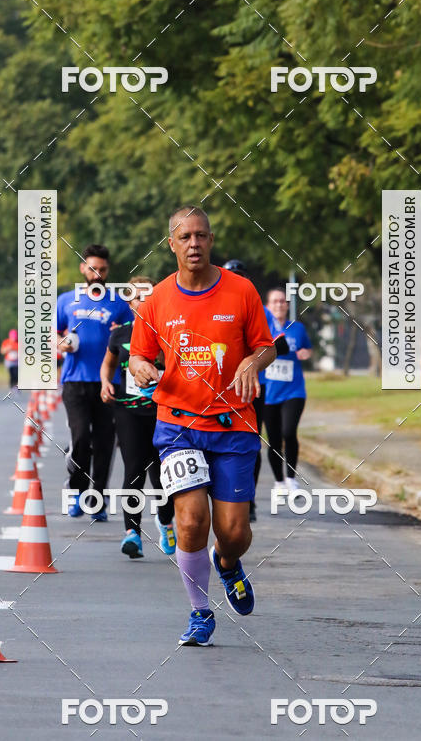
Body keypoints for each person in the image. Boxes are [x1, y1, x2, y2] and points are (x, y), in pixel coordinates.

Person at [129, 207, 276, 646]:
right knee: (191, 521)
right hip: (178, 425)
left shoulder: (241, 290)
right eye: (185, 237)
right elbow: (138, 355)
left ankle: (227, 563)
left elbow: (267, 347)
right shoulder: (157, 300)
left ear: (211, 240)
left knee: (234, 533)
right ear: (172, 244)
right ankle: (199, 612)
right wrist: (140, 367)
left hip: (234, 425)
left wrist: (252, 362)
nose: (193, 243)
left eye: (201, 235)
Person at [100, 276, 176, 559]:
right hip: (128, 411)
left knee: (162, 475)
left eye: (148, 296)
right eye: (137, 297)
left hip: (162, 411)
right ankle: (132, 532)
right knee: (133, 470)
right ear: (130, 303)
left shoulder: (168, 331)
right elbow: (107, 365)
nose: (142, 302)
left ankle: (165, 521)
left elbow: (178, 367)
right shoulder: (120, 334)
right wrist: (105, 383)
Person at [56, 244, 132, 522]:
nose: (97, 274)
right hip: (75, 382)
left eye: (102, 269)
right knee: (80, 438)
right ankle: (77, 491)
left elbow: (132, 339)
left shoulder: (118, 304)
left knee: (104, 443)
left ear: (107, 271)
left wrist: (121, 335)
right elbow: (51, 334)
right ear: (83, 268)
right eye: (92, 268)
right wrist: (62, 343)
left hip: (108, 383)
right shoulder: (66, 301)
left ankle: (97, 499)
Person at [222, 259, 289, 520]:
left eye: (241, 275)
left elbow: (276, 345)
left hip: (253, 387)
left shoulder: (260, 310)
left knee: (250, 443)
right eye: (231, 275)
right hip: (219, 388)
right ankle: (221, 498)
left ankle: (247, 500)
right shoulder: (211, 305)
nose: (236, 280)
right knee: (219, 443)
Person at [263, 287, 312, 491]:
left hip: (294, 391)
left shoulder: (297, 328)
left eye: (282, 301)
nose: (279, 305)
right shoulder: (262, 328)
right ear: (267, 306)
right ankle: (279, 482)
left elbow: (307, 348)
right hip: (268, 392)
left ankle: (291, 478)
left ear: (287, 305)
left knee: (289, 432)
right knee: (273, 439)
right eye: (275, 301)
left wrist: (305, 353)